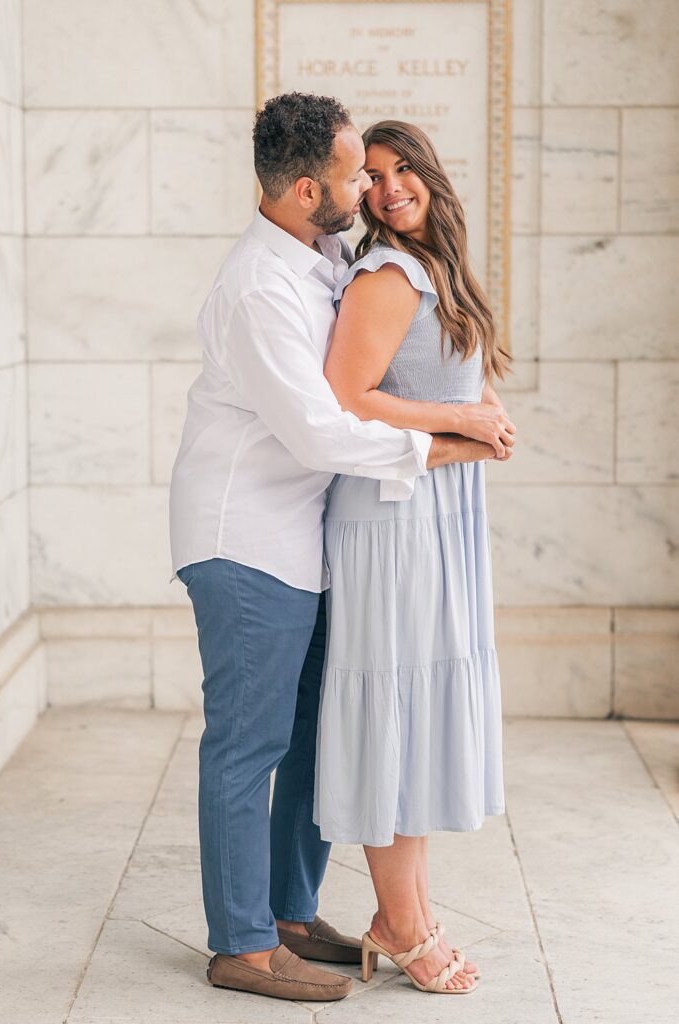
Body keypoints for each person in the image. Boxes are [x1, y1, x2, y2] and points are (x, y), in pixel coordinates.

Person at [168, 93, 514, 1003]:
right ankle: (241, 946)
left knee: (310, 737)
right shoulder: (259, 289)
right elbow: (327, 429)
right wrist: (448, 440)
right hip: (245, 540)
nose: (369, 184)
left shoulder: (320, 254)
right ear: (300, 188)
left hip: (305, 537)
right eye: (354, 172)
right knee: (248, 745)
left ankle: (288, 912)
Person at [312, 119, 512, 995]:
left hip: (437, 510)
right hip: (392, 512)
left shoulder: (432, 270)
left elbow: (445, 375)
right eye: (373, 176)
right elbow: (344, 396)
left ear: (431, 171)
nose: (389, 188)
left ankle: (405, 915)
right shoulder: (387, 274)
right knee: (393, 710)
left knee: (419, 709)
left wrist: (482, 407)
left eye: (402, 170)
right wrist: (465, 425)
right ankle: (401, 922)